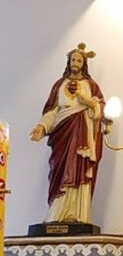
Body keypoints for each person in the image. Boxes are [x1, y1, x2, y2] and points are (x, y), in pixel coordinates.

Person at [29, 43, 104, 224]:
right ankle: (56, 214)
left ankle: (77, 214)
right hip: (62, 133)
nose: (75, 62)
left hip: (82, 133)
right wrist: (42, 127)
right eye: (73, 59)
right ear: (69, 62)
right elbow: (52, 110)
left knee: (79, 169)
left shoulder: (91, 86)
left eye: (79, 60)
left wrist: (87, 102)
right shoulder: (59, 85)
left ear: (84, 63)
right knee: (60, 169)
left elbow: (99, 110)